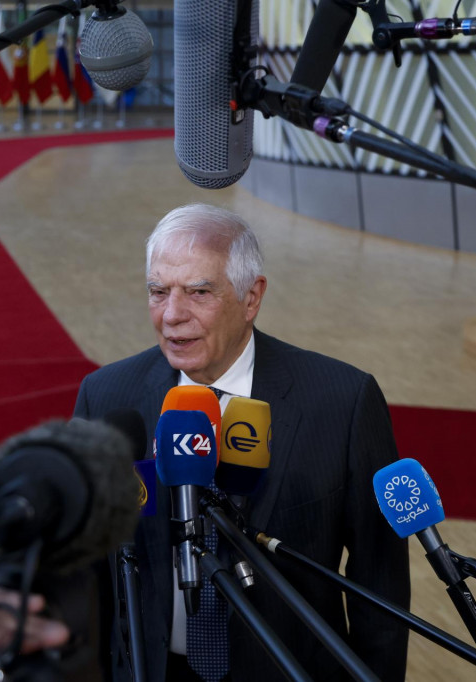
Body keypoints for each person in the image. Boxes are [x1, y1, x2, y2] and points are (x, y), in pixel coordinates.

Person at [74, 203, 410, 682]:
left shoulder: (343, 402)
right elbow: (86, 573)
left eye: (198, 292)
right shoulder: (106, 398)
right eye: (157, 291)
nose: (172, 315)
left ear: (251, 298)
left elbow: (380, 585)